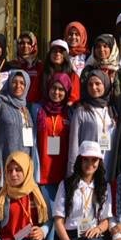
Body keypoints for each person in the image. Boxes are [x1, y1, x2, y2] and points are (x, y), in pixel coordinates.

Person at [52, 141, 112, 240]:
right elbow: (58, 221)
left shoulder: (104, 186)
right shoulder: (66, 185)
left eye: (94, 160)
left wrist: (98, 229)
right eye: (86, 159)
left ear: (99, 162)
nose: (90, 164)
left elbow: (106, 220)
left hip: (90, 236)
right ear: (80, 160)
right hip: (69, 237)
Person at [0, 151, 58, 240]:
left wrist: (42, 231)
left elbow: (49, 218)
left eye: (18, 170)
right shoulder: (1, 194)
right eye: (10, 170)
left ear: (27, 170)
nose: (13, 174)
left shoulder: (38, 192)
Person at [0, 69, 38, 188]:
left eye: (22, 83)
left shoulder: (25, 108)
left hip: (23, 166)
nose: (18, 86)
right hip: (4, 163)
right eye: (14, 82)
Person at [68, 69, 118, 175]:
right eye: (90, 84)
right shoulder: (81, 111)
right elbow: (73, 145)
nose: (94, 87)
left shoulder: (111, 110)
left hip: (108, 167)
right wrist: (71, 173)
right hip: (88, 168)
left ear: (106, 85)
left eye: (97, 84)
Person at [33, 73, 71, 201]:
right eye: (53, 88)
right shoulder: (37, 109)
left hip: (62, 172)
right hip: (42, 171)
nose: (56, 92)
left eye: (61, 89)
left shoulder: (70, 112)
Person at [82, 34, 121, 101]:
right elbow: (83, 93)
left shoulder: (119, 73)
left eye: (105, 46)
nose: (101, 49)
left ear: (112, 49)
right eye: (98, 47)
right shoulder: (88, 71)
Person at [6, 31, 43, 103]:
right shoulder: (12, 64)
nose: (25, 46)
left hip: (34, 104)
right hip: (14, 103)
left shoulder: (39, 66)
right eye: (22, 43)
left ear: (34, 45)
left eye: (29, 43)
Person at [42, 40, 81, 105]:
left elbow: (74, 98)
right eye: (54, 51)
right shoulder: (44, 72)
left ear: (65, 55)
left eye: (60, 52)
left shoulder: (72, 75)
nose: (57, 54)